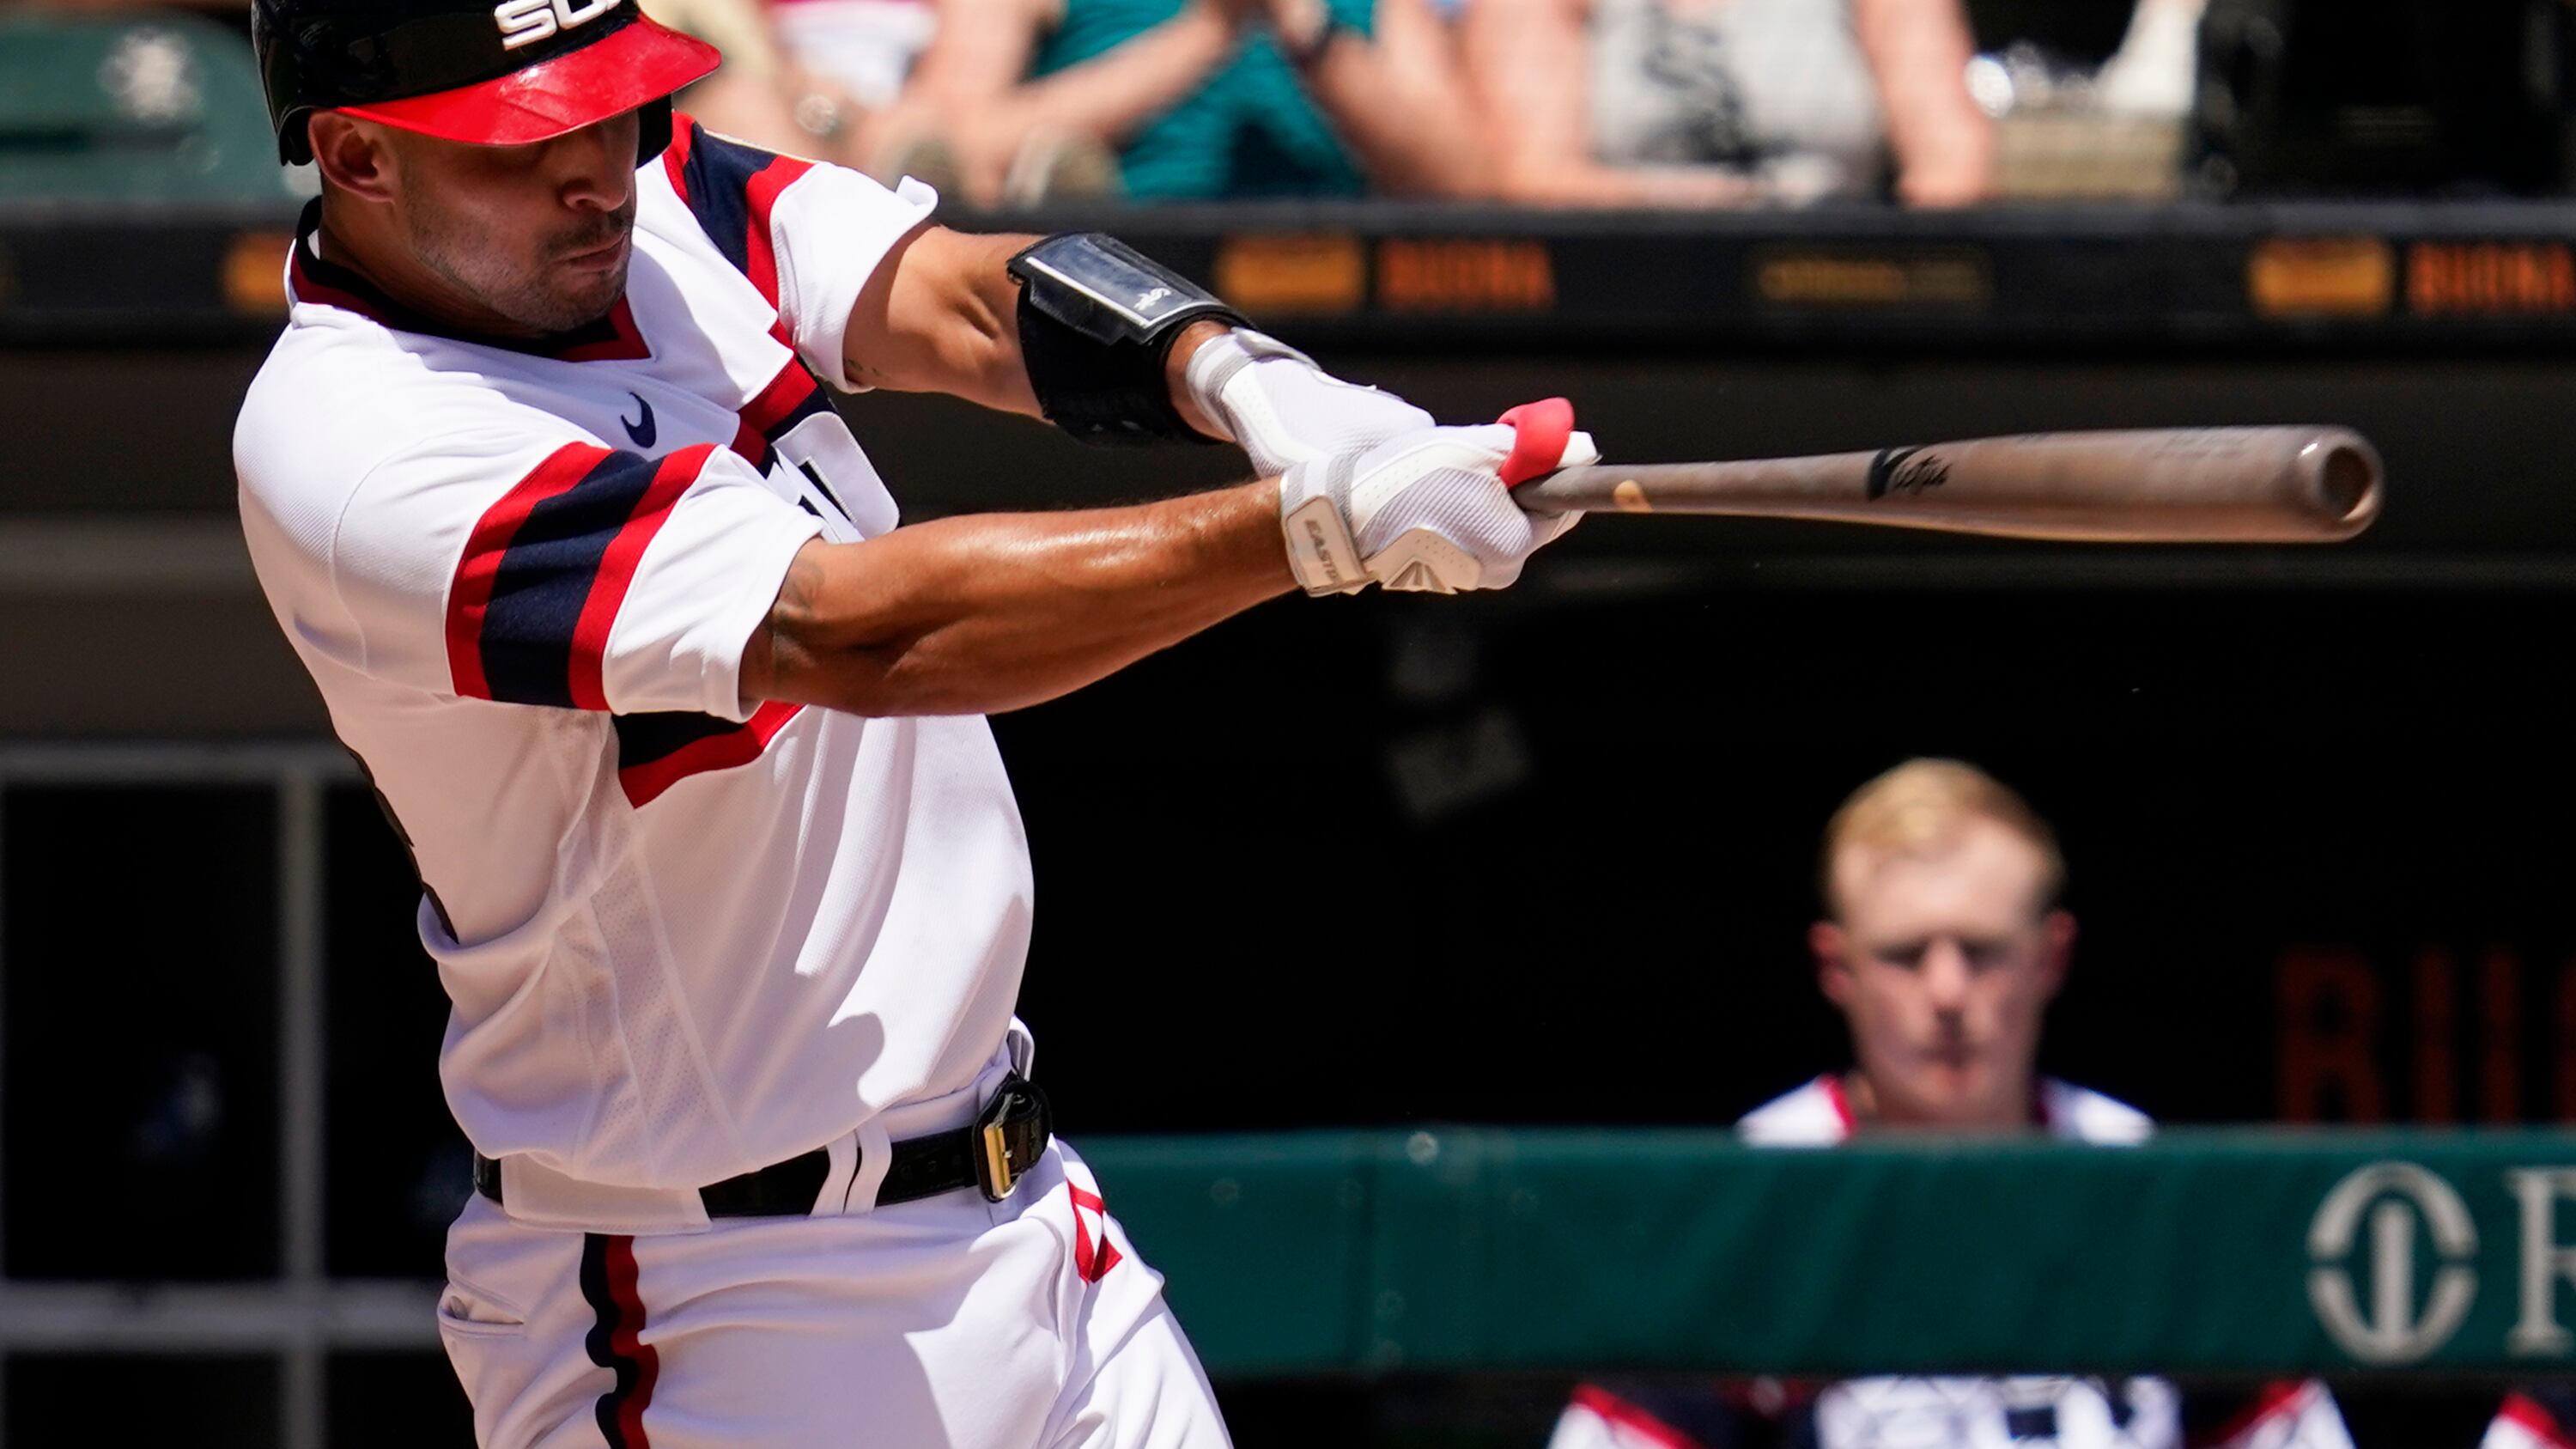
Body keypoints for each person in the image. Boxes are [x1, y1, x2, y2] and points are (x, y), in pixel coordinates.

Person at [231, 0, 1596, 1442]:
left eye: (609, 109)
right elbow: (865, 632)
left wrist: (1254, 382)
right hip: (722, 1296)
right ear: (358, 155)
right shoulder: (360, 443)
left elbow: (958, 296)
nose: (594, 171)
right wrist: (1308, 531)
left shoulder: (648, 201)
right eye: (529, 140)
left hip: (1027, 1202)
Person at [1546, 759, 2351, 1449]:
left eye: (1982, 950)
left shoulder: (2154, 1196)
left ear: (2050, 957)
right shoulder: (1747, 1204)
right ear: (1836, 968)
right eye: (1904, 955)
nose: (1947, 992)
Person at [1458, 0, 1996, 207]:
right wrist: (1722, 206)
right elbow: (1529, 176)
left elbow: (1953, 168)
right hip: (1626, 302)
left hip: (1842, 311)